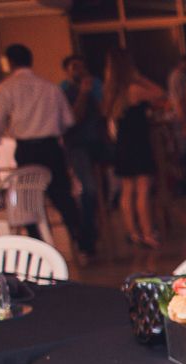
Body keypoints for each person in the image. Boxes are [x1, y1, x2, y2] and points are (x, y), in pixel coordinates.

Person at [0, 44, 80, 247]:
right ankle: (81, 239)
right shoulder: (50, 87)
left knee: (29, 197)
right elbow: (68, 121)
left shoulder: (7, 87)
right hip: (51, 147)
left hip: (27, 150)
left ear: (11, 62)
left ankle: (38, 241)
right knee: (62, 195)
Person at [102, 48, 166, 248]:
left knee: (127, 190)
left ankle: (133, 232)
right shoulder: (134, 89)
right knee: (143, 190)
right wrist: (141, 78)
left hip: (122, 144)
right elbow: (160, 93)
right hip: (138, 144)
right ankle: (148, 233)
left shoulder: (111, 92)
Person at [60, 55, 109, 256]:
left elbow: (104, 113)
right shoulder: (64, 92)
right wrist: (83, 93)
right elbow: (74, 119)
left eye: (83, 66)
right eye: (75, 67)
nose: (80, 70)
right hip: (77, 146)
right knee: (88, 189)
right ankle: (88, 232)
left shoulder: (96, 86)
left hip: (98, 143)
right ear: (67, 71)